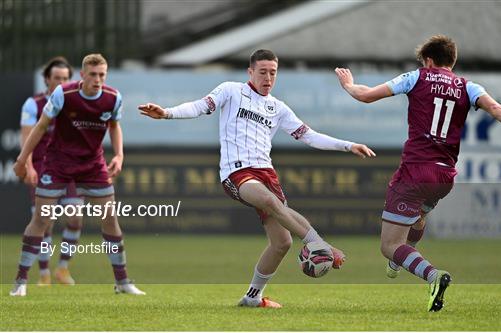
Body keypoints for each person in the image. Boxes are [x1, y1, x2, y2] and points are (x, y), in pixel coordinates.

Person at [139, 49, 376, 308]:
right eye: (262, 71)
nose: (268, 77)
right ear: (250, 72)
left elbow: (309, 135)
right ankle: (321, 246)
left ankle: (253, 297)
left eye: (272, 72)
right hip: (237, 172)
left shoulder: (278, 108)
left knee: (282, 243)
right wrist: (167, 113)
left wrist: (348, 145)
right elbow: (200, 106)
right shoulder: (231, 90)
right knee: (270, 201)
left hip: (266, 173)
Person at [334, 35, 501, 312]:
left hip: (414, 172)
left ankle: (432, 275)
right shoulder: (468, 86)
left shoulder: (416, 77)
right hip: (443, 177)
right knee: (416, 218)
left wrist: (348, 85)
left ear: (428, 61)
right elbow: (496, 108)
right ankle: (400, 258)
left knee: (389, 245)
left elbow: (366, 95)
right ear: (451, 61)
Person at [11, 54, 145, 296]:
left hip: (92, 165)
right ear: (82, 75)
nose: (97, 79)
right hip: (58, 164)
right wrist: (23, 160)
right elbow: (41, 126)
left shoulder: (113, 97)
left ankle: (122, 282)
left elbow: (114, 127)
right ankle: (21, 281)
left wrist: (119, 155)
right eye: (93, 74)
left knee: (109, 218)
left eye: (102, 74)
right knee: (42, 219)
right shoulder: (64, 94)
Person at [20, 56, 83, 286]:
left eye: (65, 78)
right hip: (41, 167)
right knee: (45, 221)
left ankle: (63, 268)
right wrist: (27, 166)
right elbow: (26, 136)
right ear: (47, 79)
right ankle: (44, 272)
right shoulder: (32, 104)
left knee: (75, 219)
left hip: (69, 168)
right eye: (57, 78)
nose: (61, 82)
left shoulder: (76, 104)